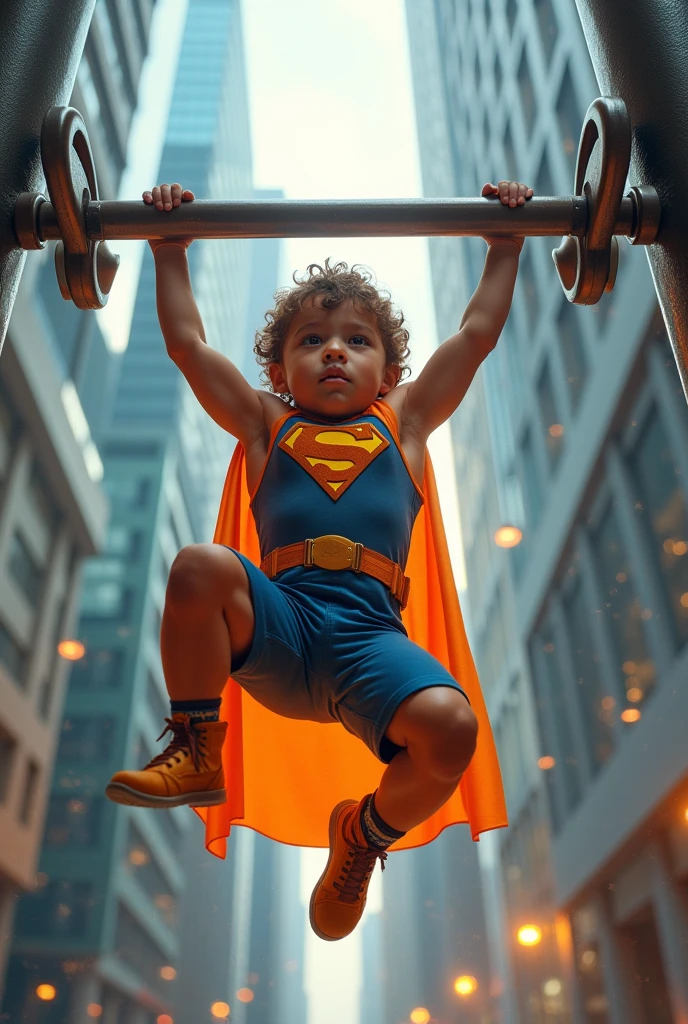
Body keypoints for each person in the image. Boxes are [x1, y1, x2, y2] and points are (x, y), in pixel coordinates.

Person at [106, 179, 532, 941]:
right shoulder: (265, 425)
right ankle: (199, 745)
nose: (334, 349)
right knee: (202, 566)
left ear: (388, 373)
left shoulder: (403, 425)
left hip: (372, 639)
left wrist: (504, 245)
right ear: (279, 373)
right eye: (311, 340)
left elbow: (474, 335)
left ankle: (363, 836)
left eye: (357, 340)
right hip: (285, 628)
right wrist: (170, 248)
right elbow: (187, 346)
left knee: (450, 729)